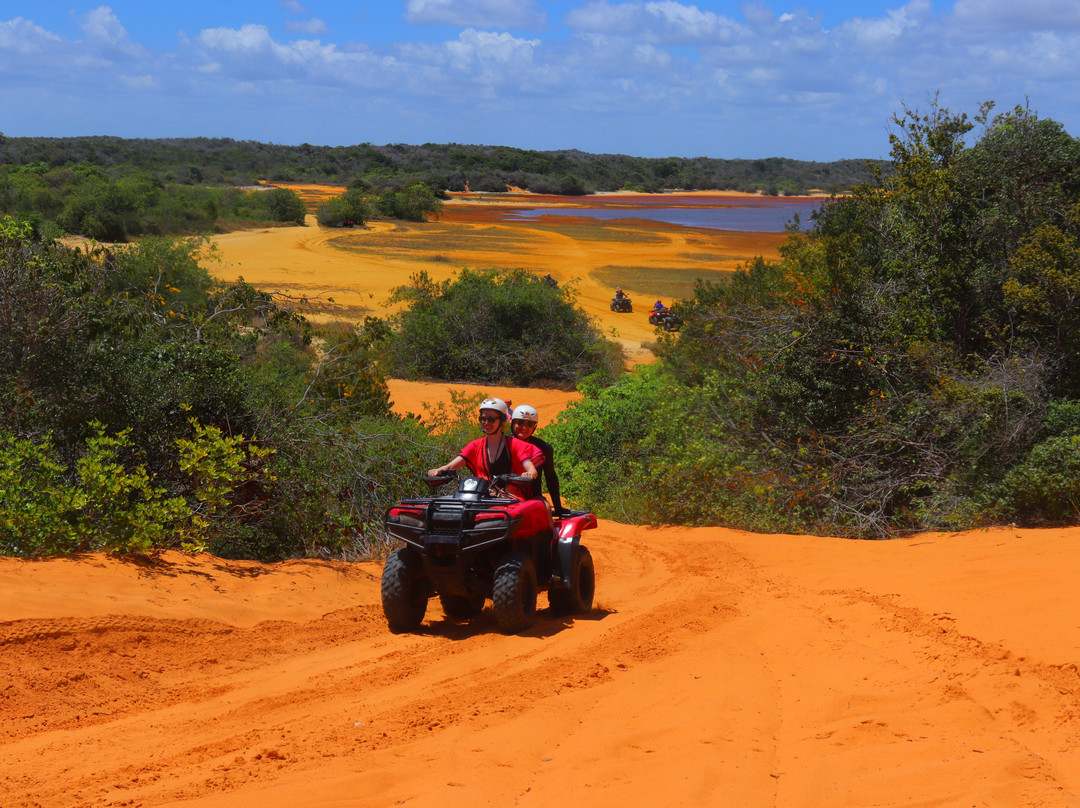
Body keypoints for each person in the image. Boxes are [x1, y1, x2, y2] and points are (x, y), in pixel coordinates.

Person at [428, 397, 540, 497]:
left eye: (491, 419)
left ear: (502, 420)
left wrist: (529, 474)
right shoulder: (475, 446)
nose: (486, 423)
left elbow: (532, 470)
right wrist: (437, 471)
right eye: (483, 419)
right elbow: (450, 467)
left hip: (509, 497)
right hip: (481, 496)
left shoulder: (515, 445)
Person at [510, 404, 565, 515]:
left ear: (534, 427)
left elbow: (550, 477)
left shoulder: (543, 447)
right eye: (520, 423)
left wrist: (558, 507)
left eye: (529, 424)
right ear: (513, 423)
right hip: (507, 495)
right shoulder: (504, 444)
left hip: (534, 497)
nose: (524, 427)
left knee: (546, 511)